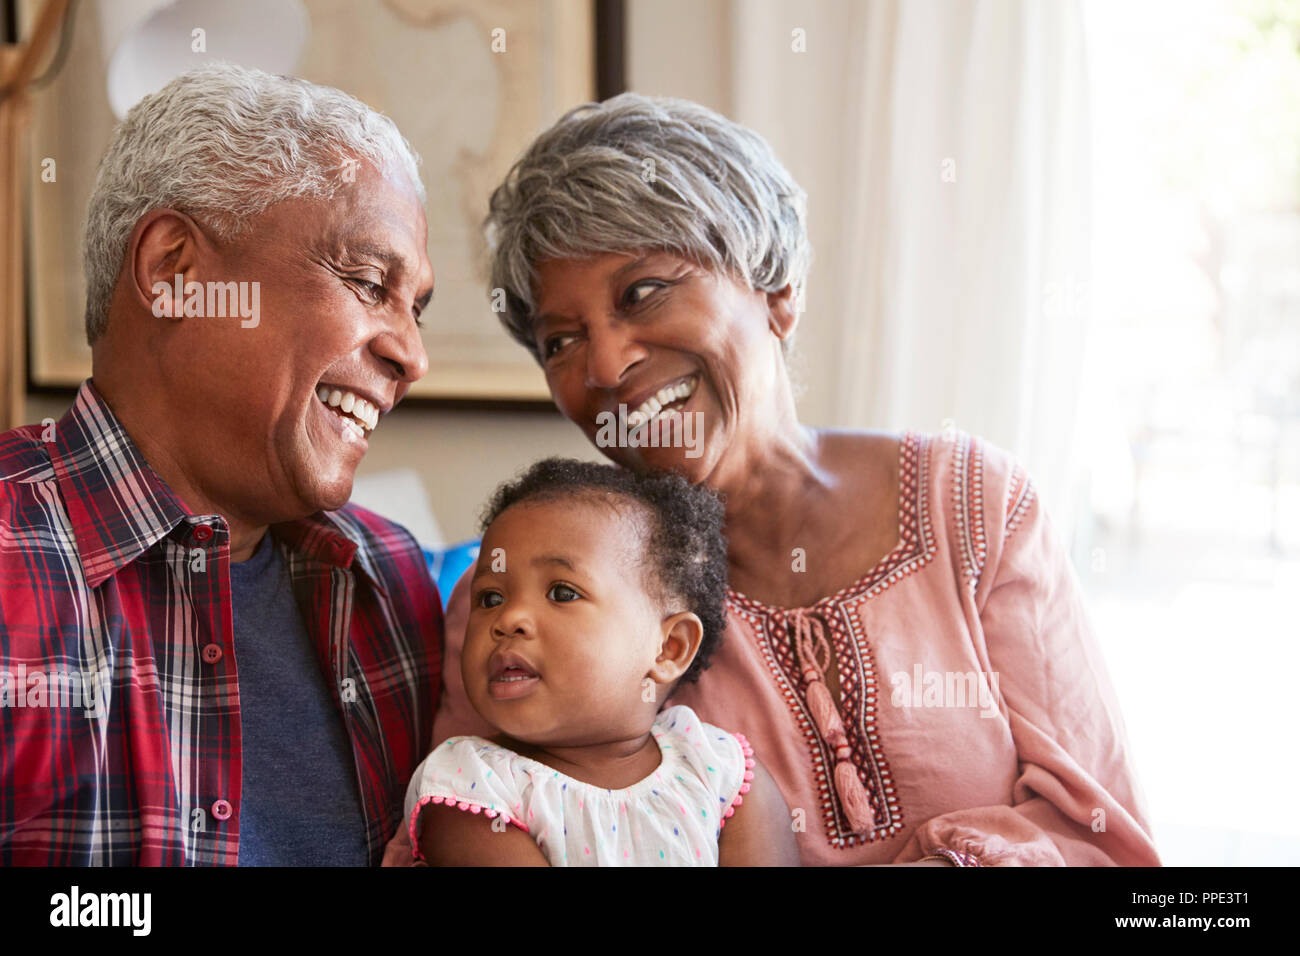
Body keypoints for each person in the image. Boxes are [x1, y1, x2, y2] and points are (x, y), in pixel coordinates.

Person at [431, 93, 1163, 866]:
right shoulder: (516, 599)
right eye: (561, 341)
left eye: (643, 292)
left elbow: (1100, 838)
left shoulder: (976, 507)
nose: (605, 366)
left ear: (776, 289)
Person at [0, 63, 442, 865]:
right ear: (175, 271)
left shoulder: (393, 582)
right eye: (370, 283)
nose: (411, 355)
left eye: (416, 309)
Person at [404, 458, 797, 866]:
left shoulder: (720, 771)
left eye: (562, 593)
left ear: (669, 648)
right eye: (490, 598)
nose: (509, 619)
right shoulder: (469, 789)